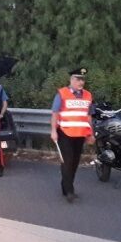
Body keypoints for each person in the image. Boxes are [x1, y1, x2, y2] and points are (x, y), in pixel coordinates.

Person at [50, 67, 94, 202]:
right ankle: (69, 190)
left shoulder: (88, 95)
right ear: (72, 79)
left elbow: (88, 116)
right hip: (65, 133)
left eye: (83, 80)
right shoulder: (62, 94)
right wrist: (53, 131)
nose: (81, 82)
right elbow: (55, 113)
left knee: (74, 162)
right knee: (67, 161)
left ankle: (66, 185)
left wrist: (90, 134)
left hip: (80, 134)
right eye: (78, 79)